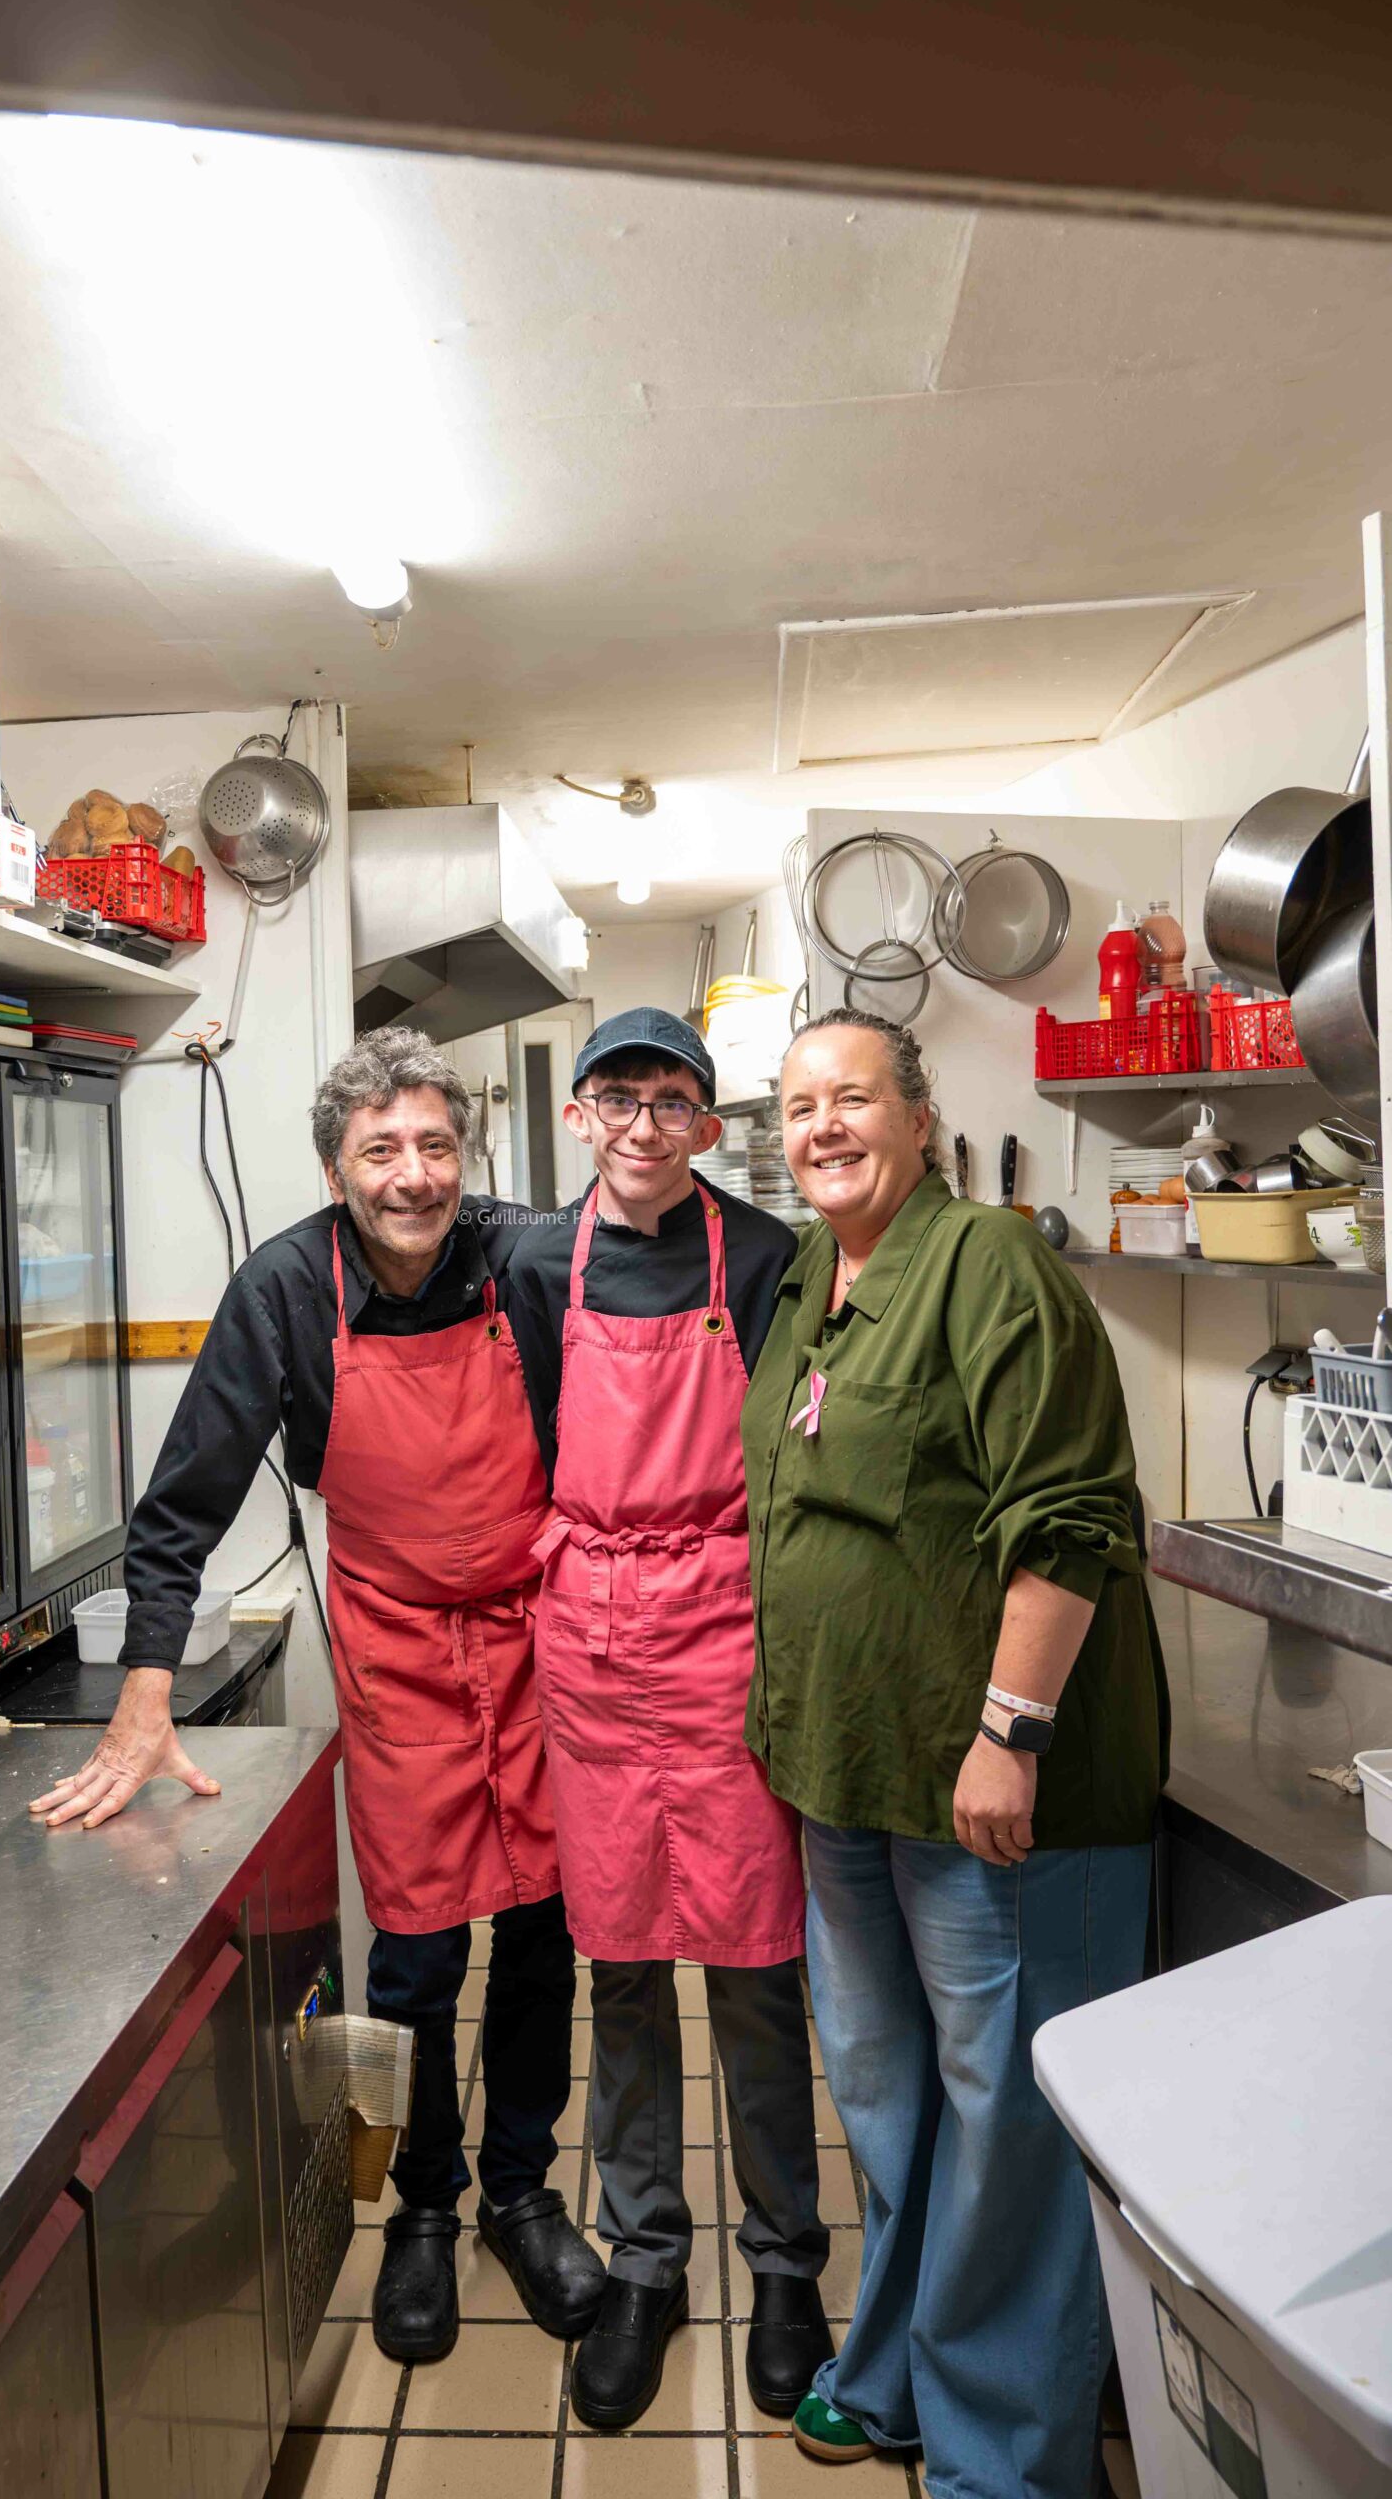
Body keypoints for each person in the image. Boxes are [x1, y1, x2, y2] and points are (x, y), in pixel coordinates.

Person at [29, 1026, 605, 2367]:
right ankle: (423, 2206)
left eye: (436, 1146)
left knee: (542, 1930)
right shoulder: (286, 1289)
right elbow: (181, 1510)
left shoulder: (522, 1254)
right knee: (414, 1945)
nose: (414, 1176)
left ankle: (520, 2195)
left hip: (536, 1638)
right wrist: (143, 1694)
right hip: (399, 1644)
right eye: (382, 1151)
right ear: (335, 1166)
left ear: (468, 1155)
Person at [741, 1007, 1167, 2492]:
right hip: (854, 1777)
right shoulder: (813, 1278)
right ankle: (904, 2373)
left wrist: (1008, 1734)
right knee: (891, 2096)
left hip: (992, 1794)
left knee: (1015, 2121)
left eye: (851, 1099)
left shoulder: (993, 1266)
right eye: (798, 1109)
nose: (823, 1130)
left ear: (919, 1115)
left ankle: (1001, 2455)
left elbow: (1067, 1517)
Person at [506, 1005, 830, 2432]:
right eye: (617, 1097)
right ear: (580, 1116)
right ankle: (647, 2260)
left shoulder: (762, 1257)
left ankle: (785, 2268)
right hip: (588, 1635)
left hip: (723, 1627)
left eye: (672, 1102)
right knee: (621, 1965)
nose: (643, 1124)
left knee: (757, 1967)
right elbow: (525, 1431)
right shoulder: (533, 1259)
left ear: (708, 1124)